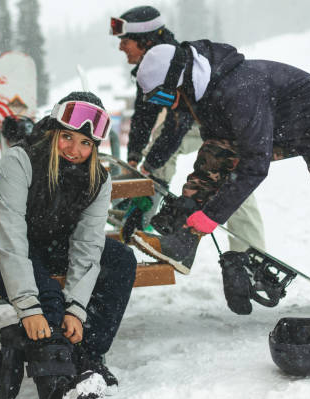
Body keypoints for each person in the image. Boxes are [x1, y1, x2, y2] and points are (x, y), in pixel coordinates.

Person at [0, 92, 137, 399]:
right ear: (54, 131)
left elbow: (87, 245)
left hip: (49, 242)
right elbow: (10, 238)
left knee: (119, 259)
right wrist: (29, 307)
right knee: (46, 298)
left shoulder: (98, 178)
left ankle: (87, 356)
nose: (75, 150)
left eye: (86, 143)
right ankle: (57, 391)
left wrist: (77, 309)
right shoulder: (20, 161)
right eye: (67, 137)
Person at [131, 40, 310, 274]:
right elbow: (215, 153)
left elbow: (255, 163)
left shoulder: (240, 90)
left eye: (164, 98)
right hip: (289, 131)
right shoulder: (205, 95)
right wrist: (187, 208)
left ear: (180, 80)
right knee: (217, 157)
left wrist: (210, 217)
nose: (167, 106)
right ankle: (182, 245)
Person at [110, 6, 264, 252]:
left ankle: (249, 255)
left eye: (125, 41)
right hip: (200, 126)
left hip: (233, 124)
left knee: (231, 179)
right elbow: (144, 114)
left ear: (145, 40)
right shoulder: (150, 68)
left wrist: (148, 168)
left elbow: (176, 127)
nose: (120, 47)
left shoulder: (175, 67)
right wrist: (135, 156)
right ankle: (143, 209)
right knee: (160, 154)